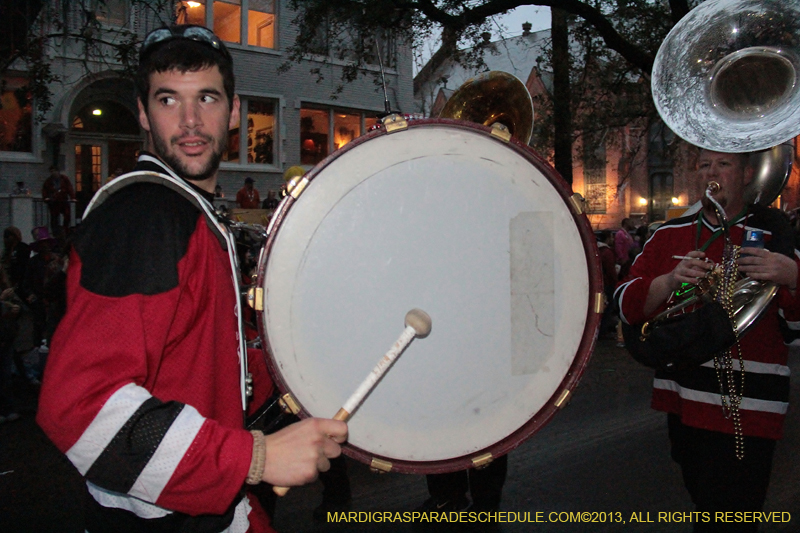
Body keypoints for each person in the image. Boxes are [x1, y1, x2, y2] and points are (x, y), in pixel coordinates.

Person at [36, 24, 347, 533]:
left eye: (206, 97)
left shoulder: (190, 211)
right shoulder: (147, 216)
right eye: (167, 100)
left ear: (234, 111)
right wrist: (254, 459)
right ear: (142, 112)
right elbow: (80, 405)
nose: (189, 121)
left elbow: (204, 357)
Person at [615, 150, 800, 531]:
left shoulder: (775, 235)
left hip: (751, 403)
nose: (711, 173)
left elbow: (794, 328)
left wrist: (793, 276)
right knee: (705, 505)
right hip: (685, 398)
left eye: (723, 164)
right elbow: (625, 304)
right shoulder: (668, 234)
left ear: (747, 173)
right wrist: (668, 282)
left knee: (732, 517)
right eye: (703, 165)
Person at [41, 165, 75, 233]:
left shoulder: (64, 179)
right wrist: (46, 198)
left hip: (63, 200)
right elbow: (45, 190)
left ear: (58, 171)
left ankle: (65, 228)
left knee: (67, 215)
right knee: (54, 216)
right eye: (51, 171)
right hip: (54, 201)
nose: (53, 173)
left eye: (54, 171)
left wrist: (72, 197)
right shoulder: (49, 181)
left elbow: (69, 188)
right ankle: (55, 230)